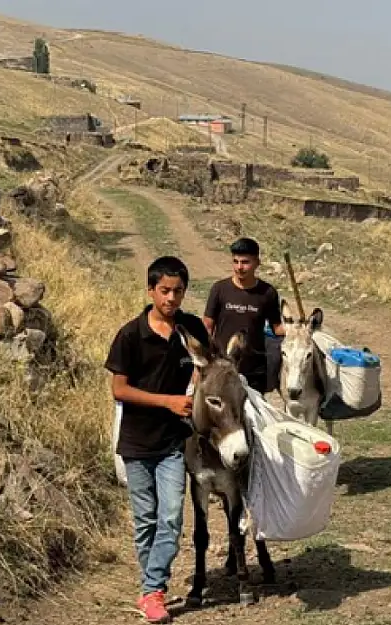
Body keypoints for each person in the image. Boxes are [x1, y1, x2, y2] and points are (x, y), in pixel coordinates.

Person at [104, 255, 209, 624]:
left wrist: (199, 386)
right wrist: (167, 401)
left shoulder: (192, 328)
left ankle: (153, 590)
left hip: (172, 444)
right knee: (146, 519)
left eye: (178, 291)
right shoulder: (131, 335)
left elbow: (206, 368)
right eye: (164, 290)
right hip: (136, 442)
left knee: (170, 518)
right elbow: (119, 389)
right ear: (150, 290)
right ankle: (151, 589)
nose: (171, 298)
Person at [203, 237, 285, 393]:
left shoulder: (268, 293)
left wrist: (300, 328)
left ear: (257, 263)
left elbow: (277, 328)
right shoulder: (219, 289)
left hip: (254, 369)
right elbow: (207, 326)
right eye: (235, 261)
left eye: (245, 262)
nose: (239, 267)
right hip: (223, 367)